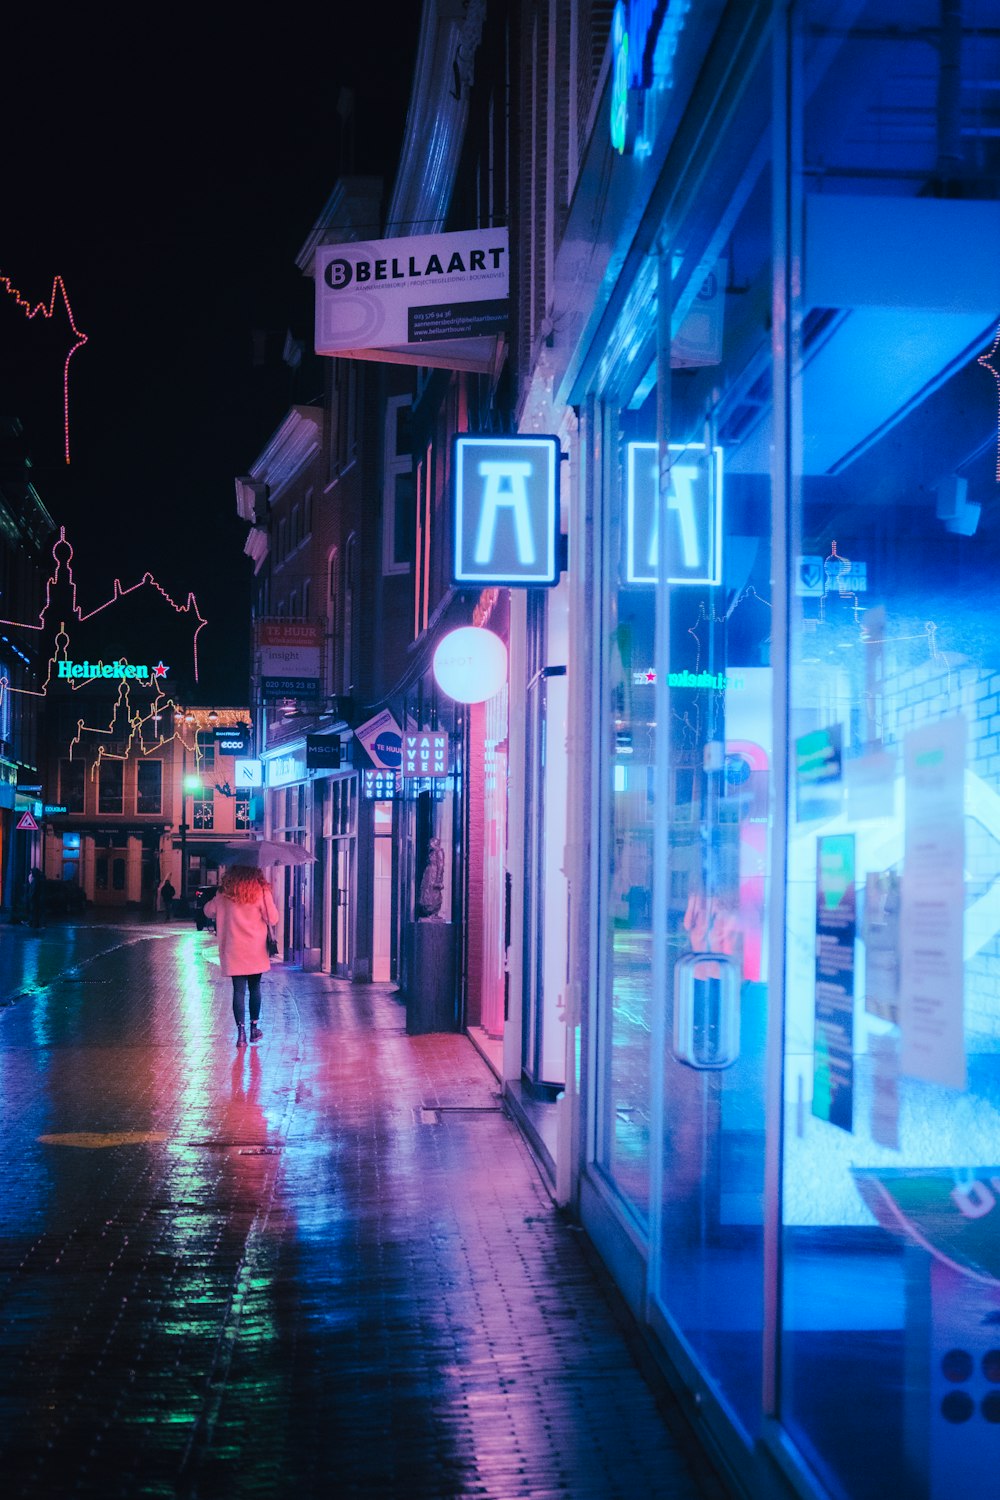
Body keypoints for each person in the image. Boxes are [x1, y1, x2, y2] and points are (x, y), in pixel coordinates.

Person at [203, 865, 279, 1047]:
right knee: (255, 988)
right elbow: (273, 919)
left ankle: (241, 1034)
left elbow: (208, 911)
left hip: (233, 948)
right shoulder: (260, 890)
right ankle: (254, 1028)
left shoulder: (224, 893)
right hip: (255, 949)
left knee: (238, 990)